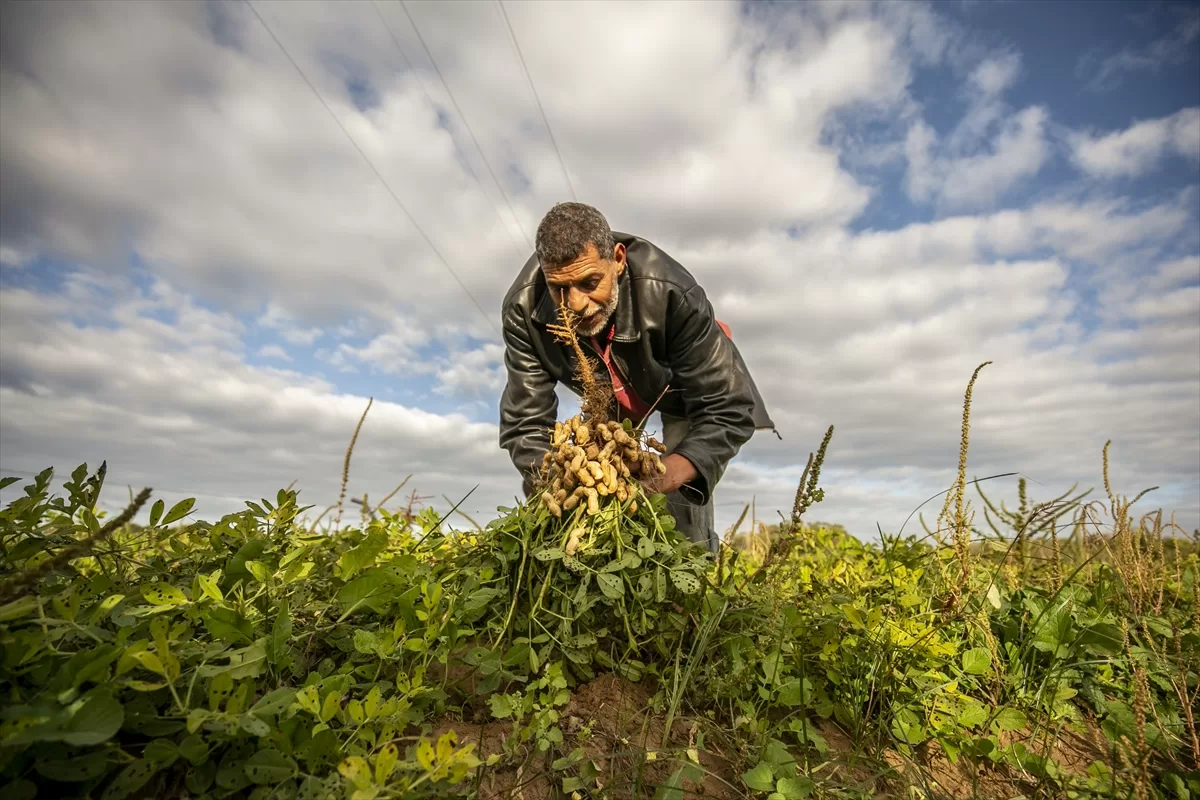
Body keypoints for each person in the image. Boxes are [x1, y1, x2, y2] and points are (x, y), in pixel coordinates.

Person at [498, 202, 777, 553]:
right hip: (610, 394)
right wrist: (563, 481)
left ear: (617, 259)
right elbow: (525, 423)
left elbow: (726, 409)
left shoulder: (671, 291)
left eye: (590, 282)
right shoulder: (524, 308)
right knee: (586, 510)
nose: (577, 304)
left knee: (680, 517)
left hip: (684, 393)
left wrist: (665, 474)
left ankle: (692, 587)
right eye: (559, 288)